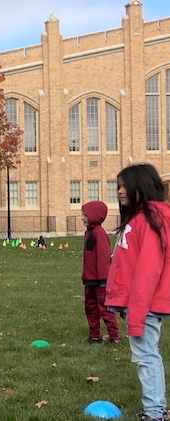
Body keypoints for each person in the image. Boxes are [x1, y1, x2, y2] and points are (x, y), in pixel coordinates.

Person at [105, 163, 170, 421]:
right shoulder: (139, 218)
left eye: (124, 186)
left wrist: (137, 313)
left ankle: (155, 412)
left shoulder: (151, 220)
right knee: (146, 355)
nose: (120, 191)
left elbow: (148, 271)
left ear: (140, 187)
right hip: (137, 304)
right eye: (118, 186)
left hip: (145, 305)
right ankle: (157, 409)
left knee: (146, 357)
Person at [81, 200, 120, 345]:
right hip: (90, 280)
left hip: (100, 281)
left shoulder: (99, 233)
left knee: (105, 308)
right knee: (90, 308)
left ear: (94, 216)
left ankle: (114, 337)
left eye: (85, 215)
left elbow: (103, 258)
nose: (82, 218)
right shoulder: (88, 233)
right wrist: (85, 276)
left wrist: (104, 280)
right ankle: (95, 336)